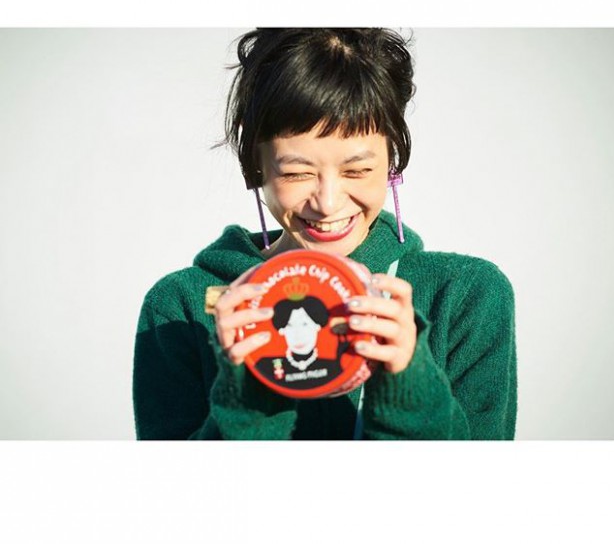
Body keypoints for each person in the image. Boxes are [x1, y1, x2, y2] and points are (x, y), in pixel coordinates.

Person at [133, 28, 517, 440]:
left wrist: (410, 386)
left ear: (393, 159)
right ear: (254, 164)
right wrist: (247, 401)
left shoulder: (464, 296)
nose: (328, 203)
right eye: (297, 173)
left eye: (358, 170)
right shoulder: (184, 307)